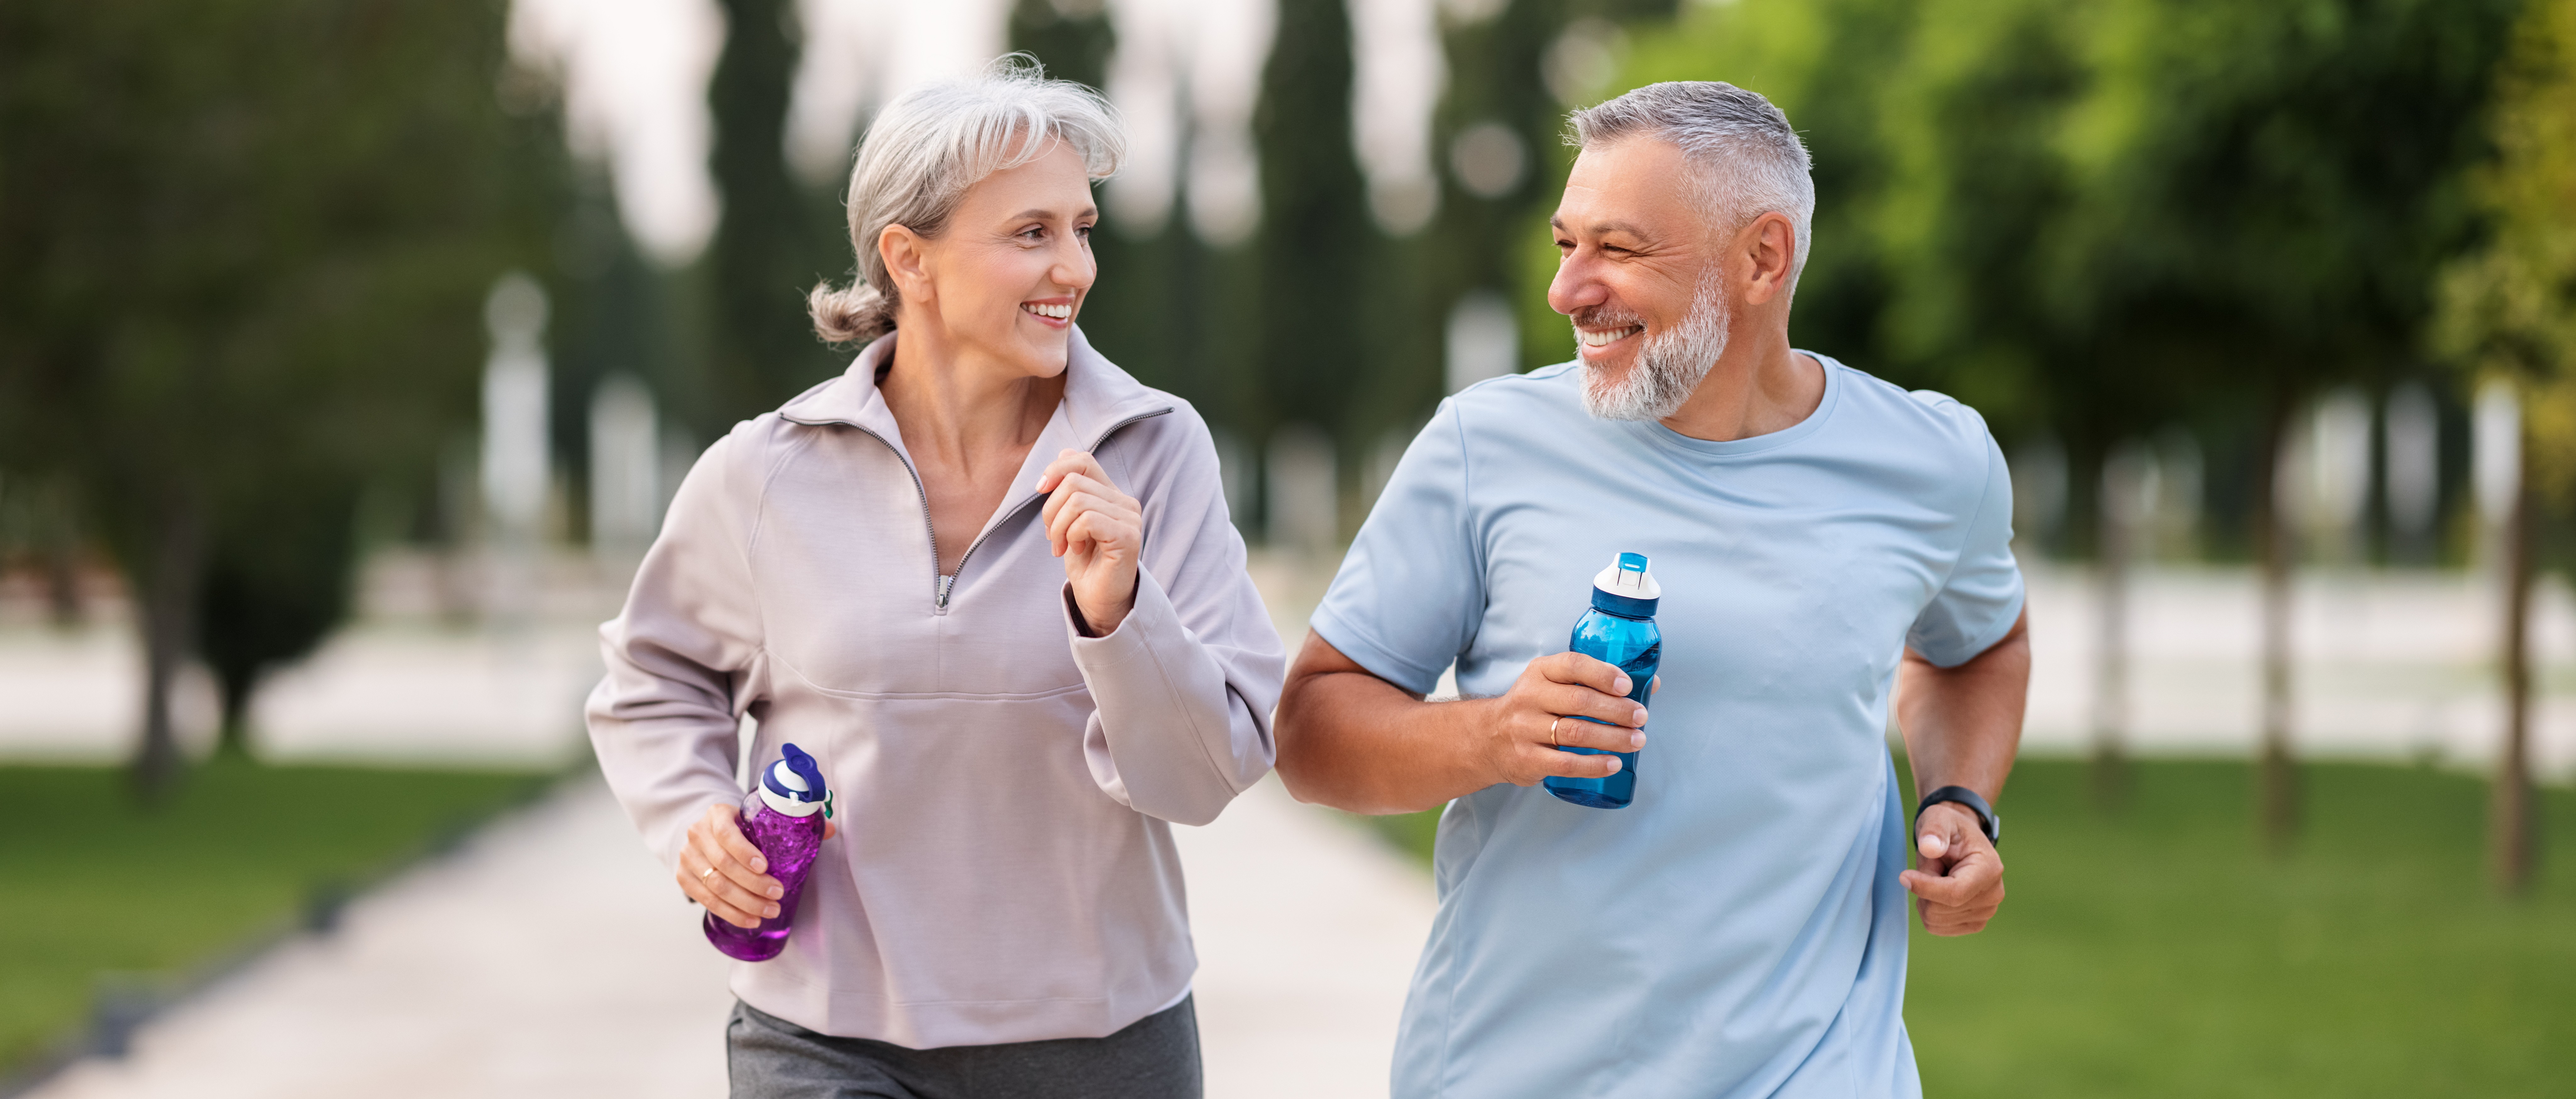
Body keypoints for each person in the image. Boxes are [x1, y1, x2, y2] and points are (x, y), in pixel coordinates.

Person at [1274, 81, 2030, 1098]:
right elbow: (1313, 738)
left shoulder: (1935, 461)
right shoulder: (1484, 445)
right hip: (1516, 1070)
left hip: (1819, 1068)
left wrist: (1961, 802)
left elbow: (1978, 647)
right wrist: (1492, 737)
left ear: (1764, 258)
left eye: (1618, 250)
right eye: (1564, 244)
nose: (1568, 289)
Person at [585, 59, 1282, 1099]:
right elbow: (654, 683)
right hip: (822, 1037)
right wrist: (695, 812)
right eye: (1031, 234)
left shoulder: (1154, 451)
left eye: (1082, 230)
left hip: (1100, 1043)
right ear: (910, 259)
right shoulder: (767, 471)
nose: (1076, 269)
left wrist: (1121, 614)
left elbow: (1204, 776)